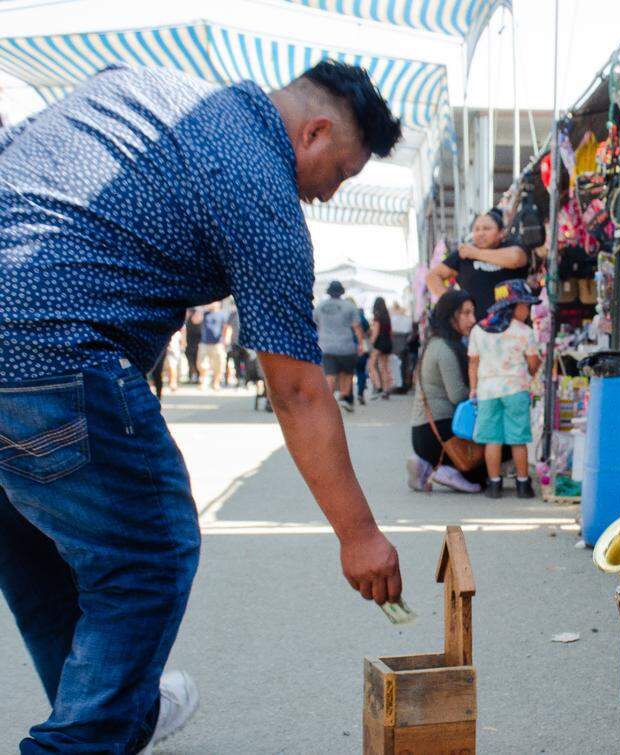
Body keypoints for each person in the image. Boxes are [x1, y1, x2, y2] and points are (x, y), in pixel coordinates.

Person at [0, 59, 403, 753]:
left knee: (40, 556)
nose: (328, 196)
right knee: (148, 556)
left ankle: (105, 712)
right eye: (340, 175)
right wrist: (359, 534)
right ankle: (87, 735)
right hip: (55, 352)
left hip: (26, 348)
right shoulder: (258, 184)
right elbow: (298, 388)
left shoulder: (140, 85)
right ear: (313, 133)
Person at [467, 279, 541, 499]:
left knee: (493, 439)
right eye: (525, 305)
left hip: (487, 391)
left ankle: (494, 484)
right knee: (518, 439)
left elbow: (473, 362)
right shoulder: (525, 332)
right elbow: (533, 363)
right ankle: (523, 485)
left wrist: (473, 389)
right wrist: (531, 368)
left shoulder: (478, 330)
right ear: (513, 305)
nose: (527, 310)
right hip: (515, 390)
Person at [408, 290, 483, 494]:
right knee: (481, 473)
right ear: (450, 316)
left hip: (428, 430)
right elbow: (458, 395)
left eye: (473, 313)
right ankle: (442, 468)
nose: (473, 319)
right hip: (437, 433)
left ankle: (428, 463)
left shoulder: (438, 343)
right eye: (466, 313)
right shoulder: (444, 349)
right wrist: (482, 390)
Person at [425, 208, 530, 318]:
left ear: (501, 233)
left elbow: (517, 259)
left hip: (513, 326)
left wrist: (476, 253)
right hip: (475, 327)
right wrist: (454, 304)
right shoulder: (462, 255)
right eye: (476, 229)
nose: (481, 233)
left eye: (487, 228)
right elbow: (432, 276)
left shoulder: (511, 246)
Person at [314, 280, 365, 413]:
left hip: (326, 346)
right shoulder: (349, 306)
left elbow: (315, 326)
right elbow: (357, 328)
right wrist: (360, 344)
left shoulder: (320, 307)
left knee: (329, 375)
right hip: (346, 346)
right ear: (342, 292)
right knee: (347, 374)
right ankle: (343, 397)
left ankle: (326, 401)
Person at [194, 301, 231, 390]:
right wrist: (202, 309)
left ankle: (216, 383)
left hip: (218, 344)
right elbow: (195, 320)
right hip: (204, 343)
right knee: (202, 364)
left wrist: (226, 338)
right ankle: (203, 382)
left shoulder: (222, 314)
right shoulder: (205, 313)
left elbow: (227, 327)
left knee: (219, 365)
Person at [368, 296, 394, 399]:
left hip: (380, 343)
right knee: (384, 367)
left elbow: (375, 332)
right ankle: (386, 390)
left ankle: (378, 387)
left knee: (371, 364)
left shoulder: (377, 316)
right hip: (388, 342)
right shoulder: (387, 317)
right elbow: (391, 332)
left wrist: (370, 343)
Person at [389, 302, 413, 393]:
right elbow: (410, 331)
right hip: (404, 343)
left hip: (395, 344)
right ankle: (403, 385)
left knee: (396, 365)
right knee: (404, 365)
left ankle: (397, 385)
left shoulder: (393, 319)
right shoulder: (406, 319)